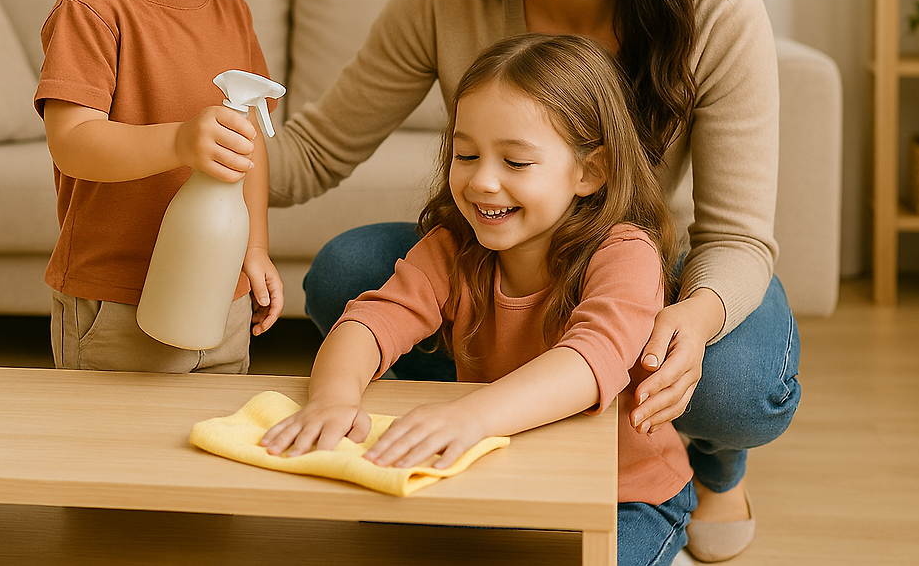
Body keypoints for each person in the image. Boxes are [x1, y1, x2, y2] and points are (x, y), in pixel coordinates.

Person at [268, 0, 799, 562]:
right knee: (348, 272)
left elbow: (736, 237)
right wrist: (185, 150)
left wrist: (690, 319)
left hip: (646, 264)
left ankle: (711, 466)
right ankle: (487, 422)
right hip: (507, 252)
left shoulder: (718, 13)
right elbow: (313, 150)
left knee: (732, 379)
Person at [263, 34, 694, 566]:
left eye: (516, 162)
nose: (483, 181)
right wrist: (332, 396)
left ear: (590, 172)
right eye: (466, 155)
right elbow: (372, 320)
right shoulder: (453, 246)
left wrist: (469, 417)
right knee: (378, 511)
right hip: (504, 474)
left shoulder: (626, 252)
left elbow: (591, 359)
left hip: (625, 495)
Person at [35, 0, 283, 375]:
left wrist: (254, 247)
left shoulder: (234, 15)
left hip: (221, 293)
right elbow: (73, 142)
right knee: (115, 435)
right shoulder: (93, 7)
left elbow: (247, 147)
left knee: (214, 430)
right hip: (118, 299)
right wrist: (179, 142)